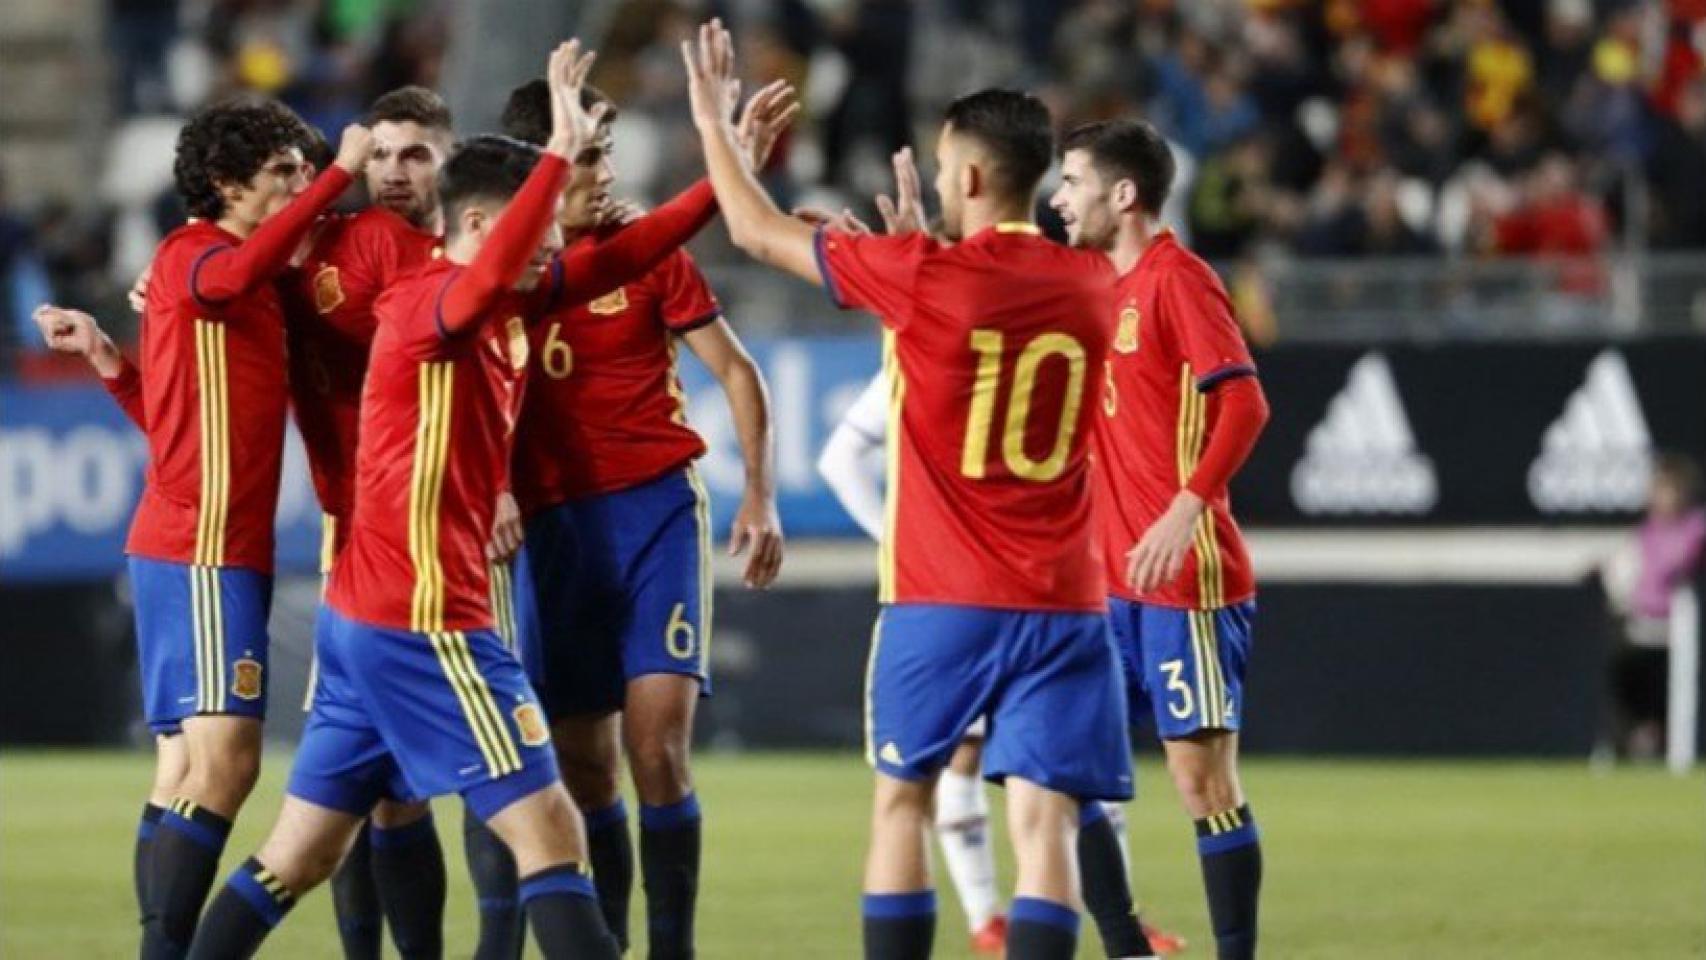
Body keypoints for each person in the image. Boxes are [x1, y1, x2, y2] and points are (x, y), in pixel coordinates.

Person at [683, 19, 1133, 959]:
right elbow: (994, 304)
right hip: (1065, 597)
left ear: (968, 177)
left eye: (940, 165)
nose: (933, 179)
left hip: (943, 597)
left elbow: (756, 231)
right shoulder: (1095, 284)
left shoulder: (924, 278)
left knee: (903, 804)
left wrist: (714, 126)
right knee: (1046, 824)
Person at [180, 41, 623, 959]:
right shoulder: (432, 304)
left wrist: (720, 177)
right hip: (424, 618)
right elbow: (501, 258)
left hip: (364, 617)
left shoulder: (473, 300)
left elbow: (614, 255)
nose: (548, 251)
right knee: (553, 832)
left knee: (294, 858)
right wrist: (555, 155)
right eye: (531, 234)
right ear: (477, 225)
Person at [35, 97, 372, 959]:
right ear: (225, 185)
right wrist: (339, 171)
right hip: (202, 547)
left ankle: (164, 949)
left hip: (196, 542)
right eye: (282, 174)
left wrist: (113, 363)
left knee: (185, 769)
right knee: (227, 766)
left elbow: (176, 417)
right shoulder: (197, 256)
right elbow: (228, 273)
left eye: (304, 170)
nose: (301, 182)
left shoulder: (229, 280)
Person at [498, 76, 789, 959]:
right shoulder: (500, 272)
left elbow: (737, 371)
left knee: (656, 749)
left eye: (605, 155)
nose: (603, 175)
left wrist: (760, 494)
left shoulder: (650, 250)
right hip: (553, 530)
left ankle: (673, 948)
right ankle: (610, 943)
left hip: (656, 511)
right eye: (585, 157)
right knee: (587, 769)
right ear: (537, 170)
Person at [819, 363, 1187, 959]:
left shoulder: (933, 342)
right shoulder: (1070, 332)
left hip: (951, 600)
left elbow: (842, 454)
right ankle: (1055, 927)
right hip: (1050, 594)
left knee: (914, 792)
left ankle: (1032, 924)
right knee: (1053, 789)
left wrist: (904, 544)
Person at [1050, 118, 1271, 960]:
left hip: (1188, 580)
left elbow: (1244, 401)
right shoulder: (1086, 284)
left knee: (1200, 783)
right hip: (1105, 583)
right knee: (1068, 776)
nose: (1058, 198)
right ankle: (1125, 948)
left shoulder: (1179, 280)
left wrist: (1187, 508)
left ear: (1124, 193)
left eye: (1072, 180)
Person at [1602, 454, 1706, 759]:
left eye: (1666, 489)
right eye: (1655, 490)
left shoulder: (1696, 528)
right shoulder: (1645, 534)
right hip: (1639, 628)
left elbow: (1679, 565)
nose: (1659, 498)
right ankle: (1627, 744)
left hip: (1680, 630)